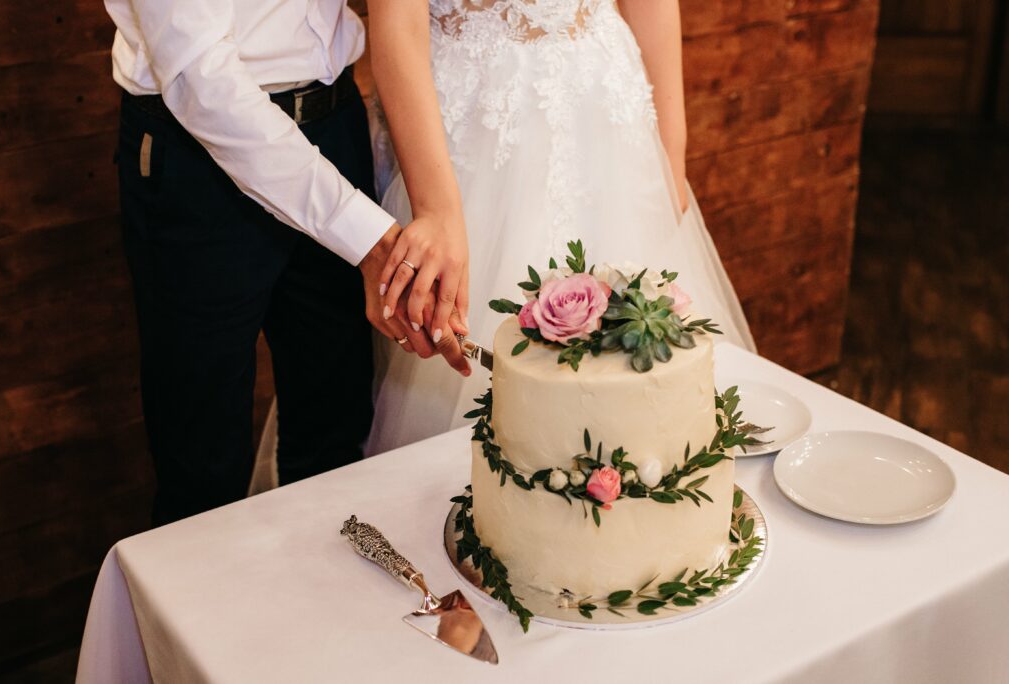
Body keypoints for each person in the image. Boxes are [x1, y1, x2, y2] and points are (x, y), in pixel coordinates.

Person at [103, 0, 470, 525]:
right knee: (202, 469)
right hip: (197, 154)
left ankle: (328, 603)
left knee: (337, 442)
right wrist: (366, 238)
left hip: (335, 122)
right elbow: (200, 78)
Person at [364, 0, 757, 455]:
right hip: (480, 123)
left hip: (607, 108)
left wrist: (671, 153)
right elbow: (397, 28)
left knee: (644, 367)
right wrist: (437, 209)